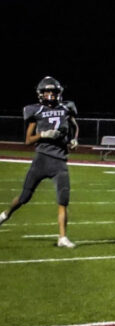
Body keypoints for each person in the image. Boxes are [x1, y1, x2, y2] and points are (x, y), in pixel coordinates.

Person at [0, 76, 79, 248]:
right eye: (47, 91)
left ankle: (62, 237)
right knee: (25, 197)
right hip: (41, 160)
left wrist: (74, 139)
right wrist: (42, 135)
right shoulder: (36, 110)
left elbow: (75, 126)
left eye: (53, 91)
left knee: (63, 200)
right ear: (41, 93)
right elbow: (28, 140)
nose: (50, 94)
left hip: (60, 161)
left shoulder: (66, 108)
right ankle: (5, 214)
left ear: (59, 92)